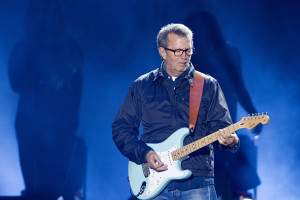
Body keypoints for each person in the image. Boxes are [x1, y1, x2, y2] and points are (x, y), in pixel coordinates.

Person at [112, 23, 240, 200]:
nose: (185, 56)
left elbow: (222, 127)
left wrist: (231, 141)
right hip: (152, 183)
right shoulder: (142, 86)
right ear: (162, 52)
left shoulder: (208, 85)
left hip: (197, 184)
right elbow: (121, 129)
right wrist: (144, 153)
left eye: (188, 50)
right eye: (178, 51)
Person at [8, 0, 83, 199]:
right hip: (31, 121)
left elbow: (77, 87)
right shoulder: (23, 47)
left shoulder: (71, 47)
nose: (46, 19)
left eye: (51, 14)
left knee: (56, 183)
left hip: (63, 123)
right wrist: (42, 80)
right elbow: (15, 83)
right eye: (42, 14)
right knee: (35, 186)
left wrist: (73, 120)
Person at [184, 11, 262, 200]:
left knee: (227, 175)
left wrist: (253, 114)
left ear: (213, 28)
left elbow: (239, 87)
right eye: (196, 28)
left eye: (205, 26)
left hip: (225, 125)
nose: (201, 31)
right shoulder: (186, 60)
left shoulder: (229, 53)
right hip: (196, 130)